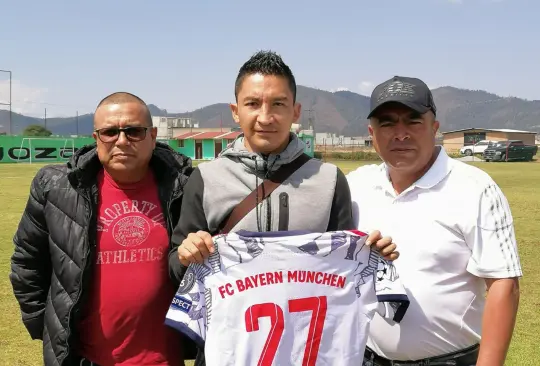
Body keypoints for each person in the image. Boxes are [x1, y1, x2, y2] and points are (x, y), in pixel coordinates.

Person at [168, 50, 398, 365]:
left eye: (278, 104)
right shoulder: (206, 178)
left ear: (296, 110)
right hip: (231, 351)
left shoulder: (329, 180)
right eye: (252, 104)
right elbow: (175, 266)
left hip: (310, 352)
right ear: (235, 111)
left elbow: (346, 270)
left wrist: (373, 257)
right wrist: (186, 256)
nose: (265, 116)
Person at [346, 76, 522, 366]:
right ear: (371, 132)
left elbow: (504, 284)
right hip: (366, 358)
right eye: (387, 123)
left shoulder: (475, 188)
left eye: (413, 121)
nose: (400, 133)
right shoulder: (355, 186)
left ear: (434, 128)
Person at [10, 92, 195, 366]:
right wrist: (48, 328)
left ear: (153, 136)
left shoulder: (186, 187)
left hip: (164, 359)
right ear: (96, 138)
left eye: (134, 131)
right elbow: (27, 264)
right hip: (87, 359)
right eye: (109, 132)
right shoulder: (57, 189)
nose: (121, 141)